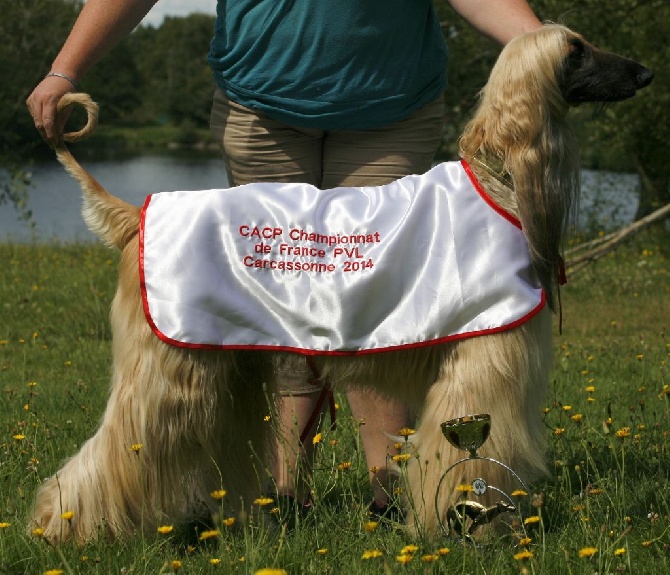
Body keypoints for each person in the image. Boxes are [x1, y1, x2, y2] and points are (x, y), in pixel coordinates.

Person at [27, 0, 542, 521]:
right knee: (273, 305)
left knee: (383, 300)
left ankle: (388, 490)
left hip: (389, 109)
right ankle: (282, 490)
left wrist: (543, 51)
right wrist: (64, 69)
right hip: (261, 106)